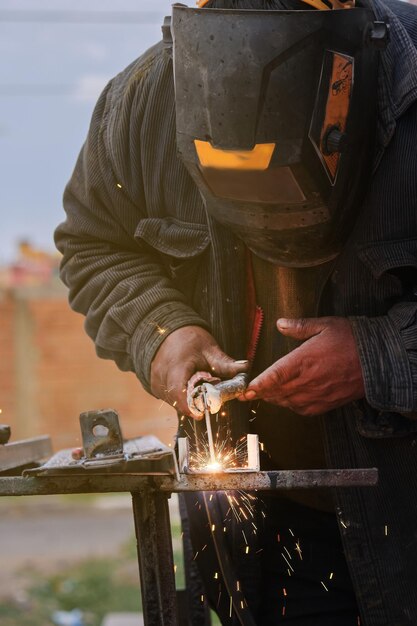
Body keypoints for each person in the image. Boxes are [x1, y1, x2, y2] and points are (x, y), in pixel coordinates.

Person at [55, 0, 417, 623]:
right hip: (264, 538)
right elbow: (93, 246)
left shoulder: (406, 93)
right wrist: (163, 331)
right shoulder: (144, 104)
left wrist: (379, 354)